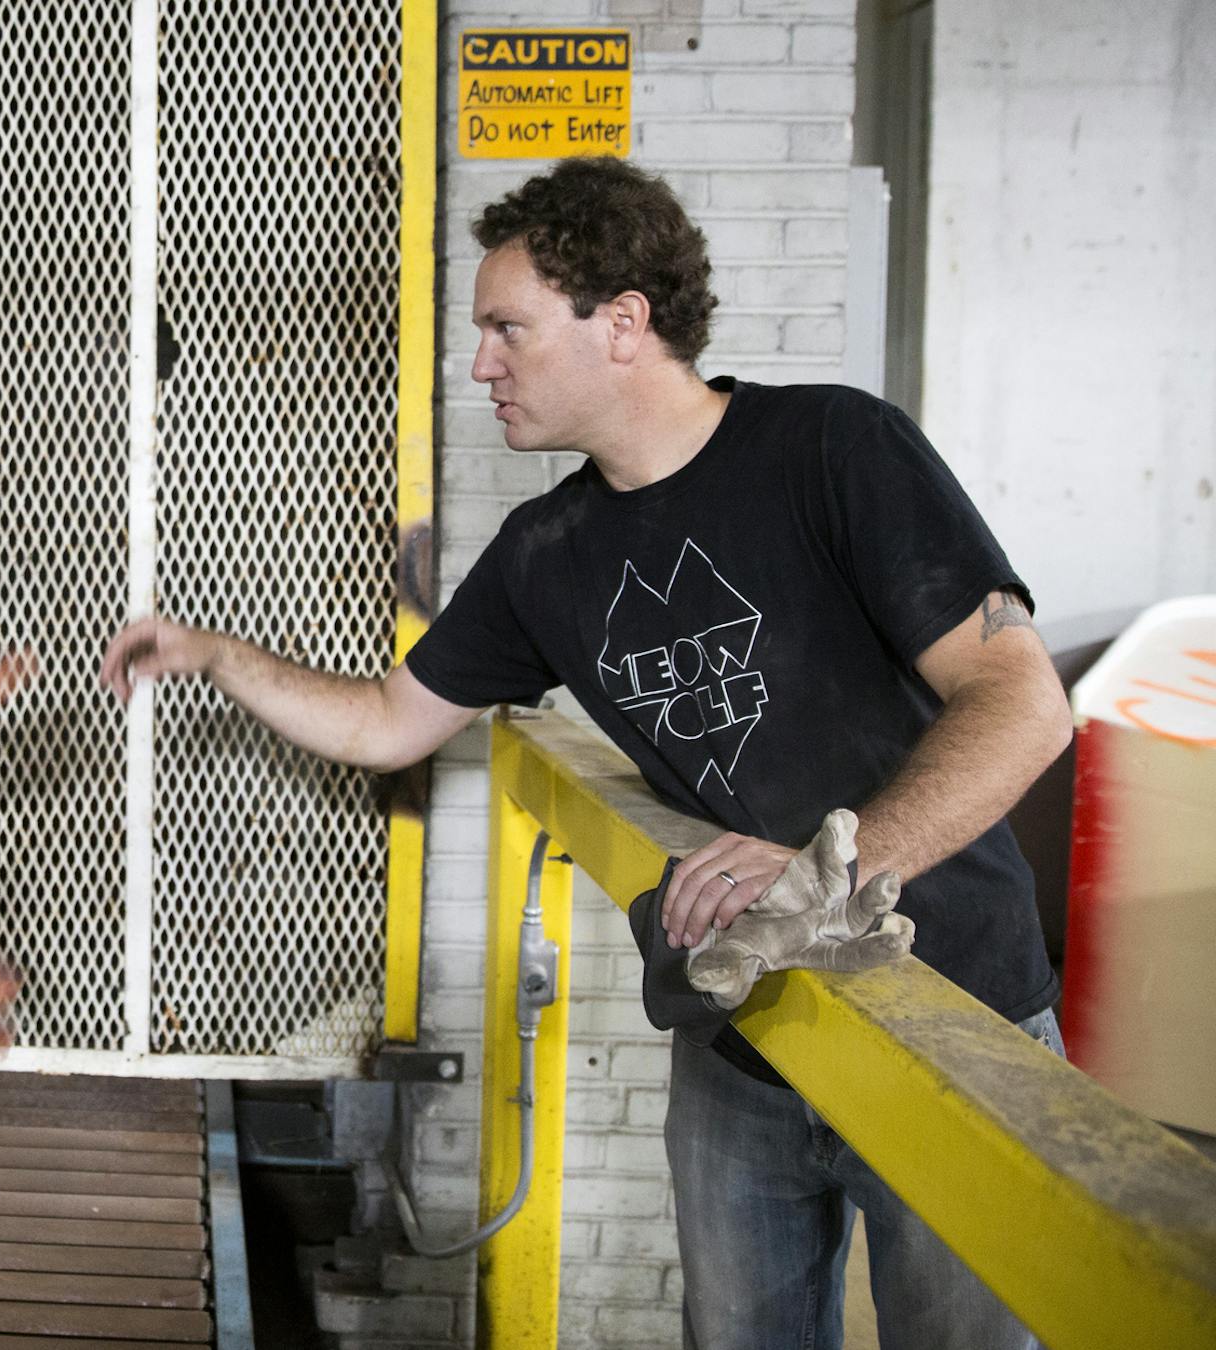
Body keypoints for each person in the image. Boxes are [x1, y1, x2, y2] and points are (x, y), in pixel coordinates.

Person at [99, 156, 1070, 1350]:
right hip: (744, 1034)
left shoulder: (835, 446)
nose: (480, 365)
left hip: (948, 1014)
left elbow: (1022, 702)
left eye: (507, 328)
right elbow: (386, 724)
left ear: (622, 323)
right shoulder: (544, 553)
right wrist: (214, 654)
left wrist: (832, 868)